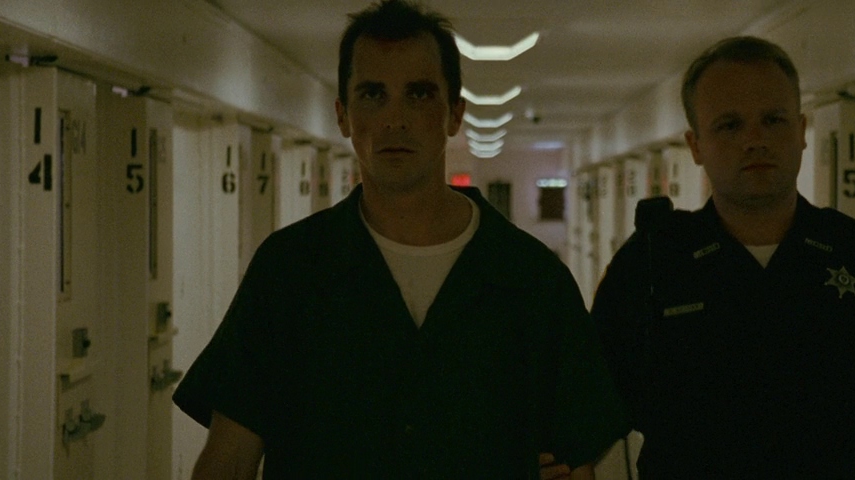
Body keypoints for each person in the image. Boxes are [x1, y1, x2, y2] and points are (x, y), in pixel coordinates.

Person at [172, 1, 627, 478]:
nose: (396, 119)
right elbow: (229, 459)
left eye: (419, 94)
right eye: (373, 94)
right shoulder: (290, 272)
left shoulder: (532, 281)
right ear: (343, 115)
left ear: (454, 114)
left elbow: (584, 458)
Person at [592, 36, 855, 479]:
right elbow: (588, 430)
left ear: (801, 130)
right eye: (729, 125)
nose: (755, 141)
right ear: (695, 146)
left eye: (773, 120)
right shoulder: (651, 266)